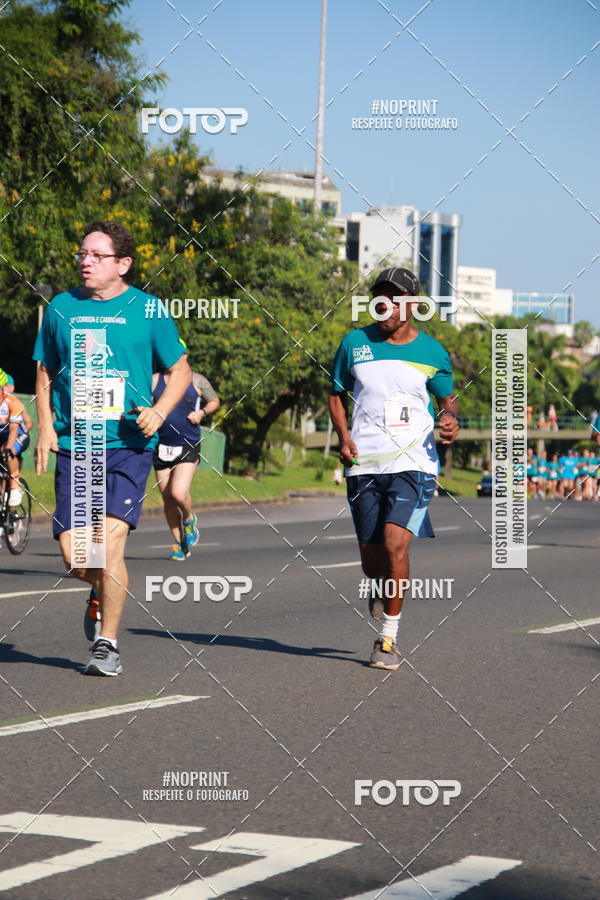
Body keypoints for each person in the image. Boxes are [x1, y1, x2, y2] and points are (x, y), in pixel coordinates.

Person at [33, 220, 191, 676]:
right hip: (75, 444)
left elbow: (180, 371)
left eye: (96, 255)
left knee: (108, 544)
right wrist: (45, 427)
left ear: (123, 264)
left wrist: (159, 412)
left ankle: (108, 645)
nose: (85, 261)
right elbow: (44, 371)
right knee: (76, 556)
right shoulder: (61, 307)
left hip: (128, 445)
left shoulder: (149, 309)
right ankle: (100, 587)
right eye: (82, 253)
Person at [328, 267, 459, 671]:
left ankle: (387, 640)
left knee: (394, 544)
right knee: (372, 562)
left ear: (412, 306)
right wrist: (343, 436)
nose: (385, 304)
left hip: (414, 463)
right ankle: (381, 586)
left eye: (395, 297)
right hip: (364, 462)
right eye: (380, 296)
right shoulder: (354, 343)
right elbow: (335, 393)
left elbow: (448, 399)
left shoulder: (432, 351)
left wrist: (450, 420)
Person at [152, 356, 220, 560]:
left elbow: (214, 401)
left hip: (187, 443)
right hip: (160, 444)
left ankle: (189, 520)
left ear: (185, 357)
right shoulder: (154, 380)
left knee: (179, 493)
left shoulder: (197, 380)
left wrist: (202, 413)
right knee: (167, 498)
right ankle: (180, 544)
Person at [0, 370, 30, 505]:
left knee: (6, 452)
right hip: (2, 436)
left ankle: (15, 487)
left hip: (18, 434)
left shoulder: (13, 402)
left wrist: (8, 448)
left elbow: (13, 429)